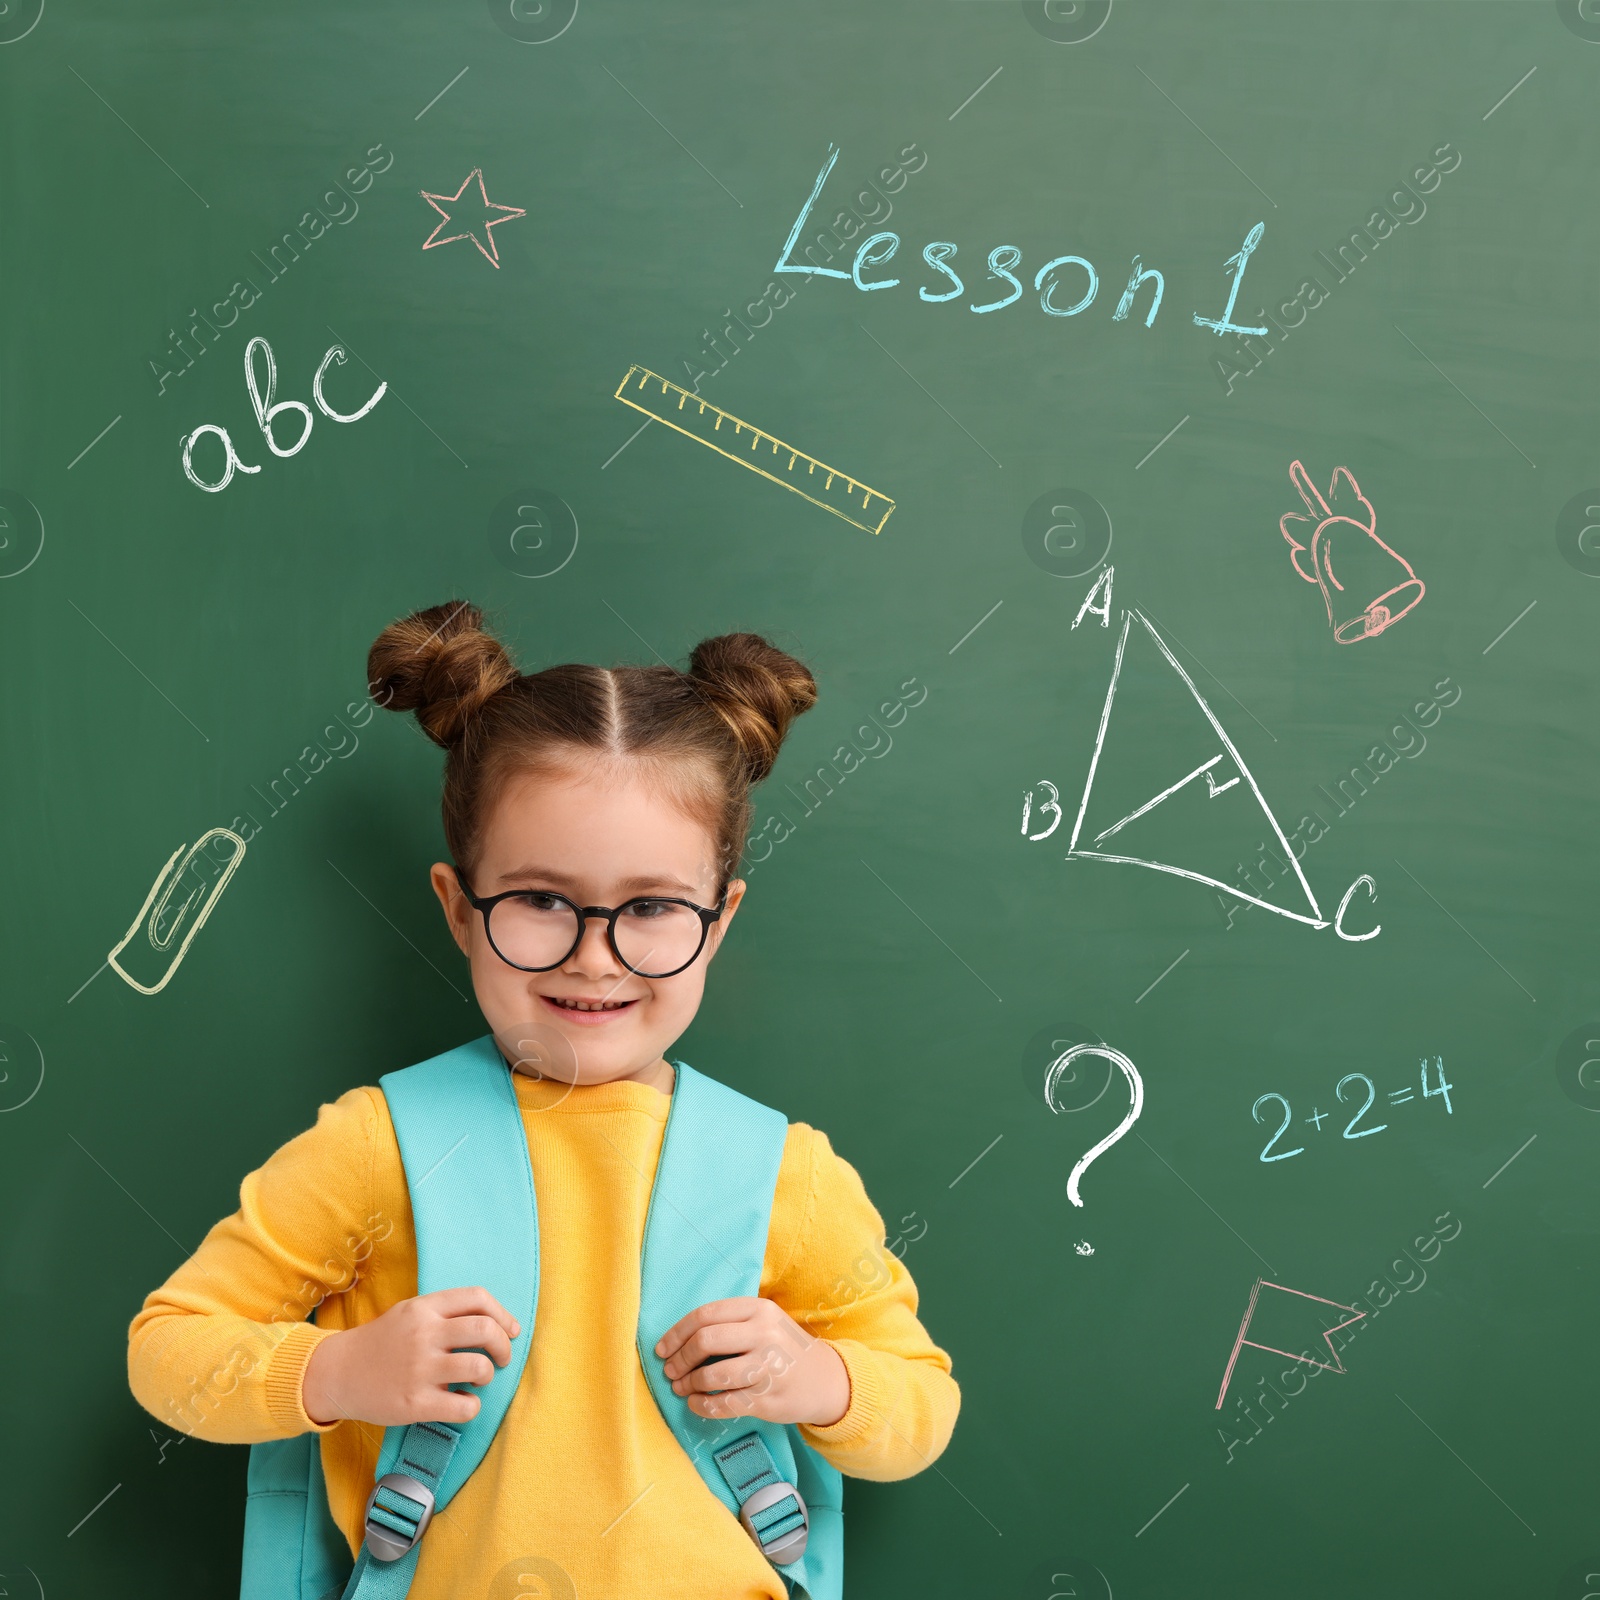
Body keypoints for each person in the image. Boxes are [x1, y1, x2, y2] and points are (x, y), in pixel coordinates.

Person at [127, 600, 959, 1597]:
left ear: (719, 915)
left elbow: (918, 1411)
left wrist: (814, 1377)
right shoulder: (378, 1144)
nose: (593, 956)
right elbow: (169, 1351)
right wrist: (340, 1371)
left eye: (649, 907)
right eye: (540, 900)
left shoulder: (786, 1173)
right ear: (457, 906)